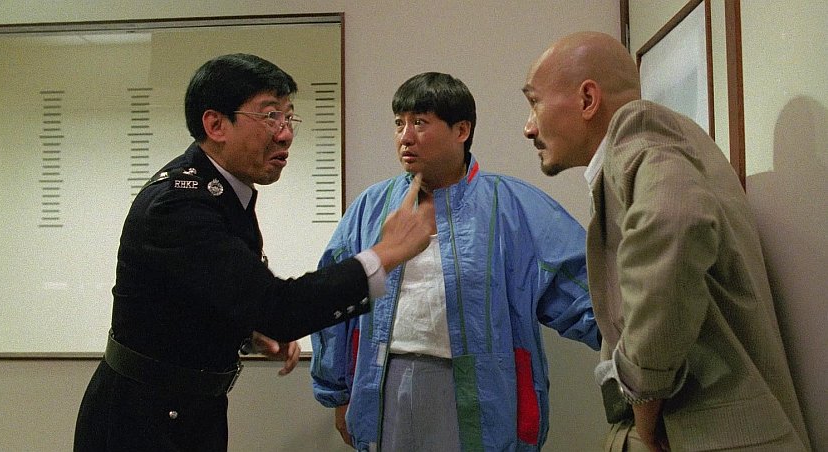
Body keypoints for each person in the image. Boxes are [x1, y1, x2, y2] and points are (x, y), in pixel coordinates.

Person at [73, 53, 433, 451]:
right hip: (141, 423)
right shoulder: (178, 205)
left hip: (185, 412)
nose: (285, 134)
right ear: (216, 125)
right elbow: (278, 308)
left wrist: (246, 328)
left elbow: (195, 296)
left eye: (288, 117)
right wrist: (384, 254)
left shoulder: (224, 192)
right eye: (270, 116)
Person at [522, 32, 812, 451]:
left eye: (534, 102)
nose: (529, 126)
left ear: (588, 99)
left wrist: (643, 395)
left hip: (702, 434)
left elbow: (676, 219)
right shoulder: (664, 142)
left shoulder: (637, 127)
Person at [310, 72, 600, 451]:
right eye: (399, 123)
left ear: (461, 130)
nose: (405, 137)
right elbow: (334, 302)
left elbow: (586, 291)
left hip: (478, 392)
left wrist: (639, 347)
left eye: (420, 123)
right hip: (383, 381)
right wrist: (337, 392)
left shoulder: (512, 207)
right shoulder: (372, 207)